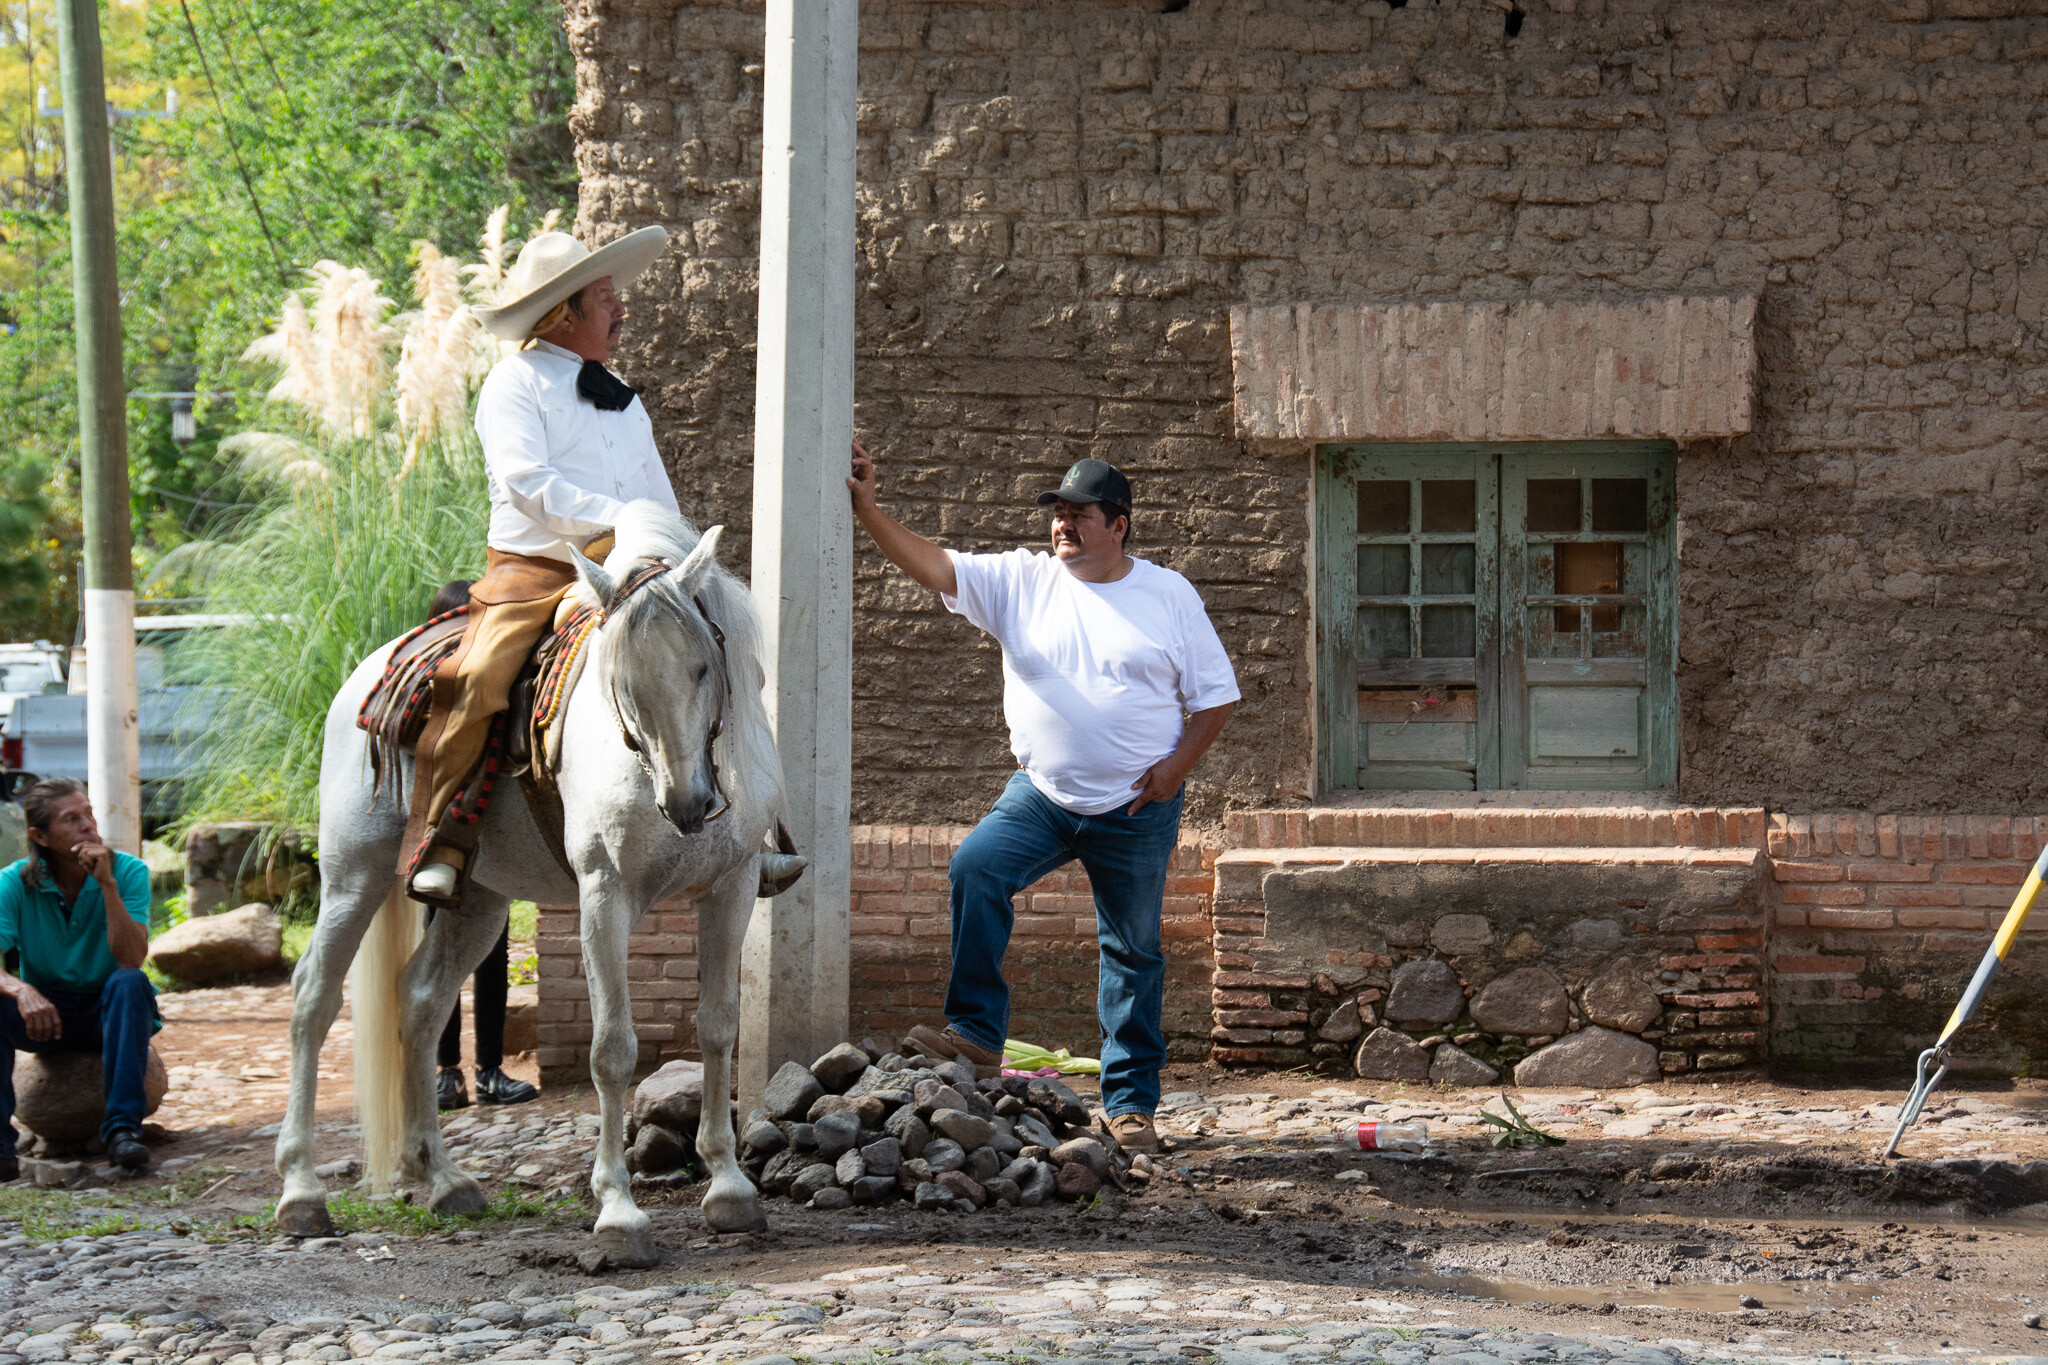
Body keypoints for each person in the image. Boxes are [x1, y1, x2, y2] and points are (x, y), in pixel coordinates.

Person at [846, 446, 1238, 1153]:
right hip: (1043, 794)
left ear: (1118, 525)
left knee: (1133, 951)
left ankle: (1130, 1107)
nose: (1062, 525)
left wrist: (1174, 772)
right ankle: (975, 1033)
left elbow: (1215, 698)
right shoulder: (1021, 581)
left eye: (1078, 515)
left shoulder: (1168, 594)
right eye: (1057, 514)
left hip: (1135, 808)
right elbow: (934, 564)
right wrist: (870, 512)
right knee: (976, 867)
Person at [404, 224, 679, 902]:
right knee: (479, 677)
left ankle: (751, 827)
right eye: (607, 297)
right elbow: (529, 483)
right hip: (533, 571)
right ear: (563, 314)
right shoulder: (510, 383)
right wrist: (616, 518)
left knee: (722, 647)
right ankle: (445, 837)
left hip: (630, 561)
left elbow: (658, 490)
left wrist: (669, 539)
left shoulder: (621, 393)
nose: (622, 309)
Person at [417, 579, 540, 1111]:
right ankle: (448, 1074)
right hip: (443, 840)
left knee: (492, 955)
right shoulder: (430, 691)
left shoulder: (497, 682)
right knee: (443, 953)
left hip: (490, 840)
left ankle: (488, 1070)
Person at [0, 778, 158, 1181]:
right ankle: (1, 1146)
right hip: (46, 1014)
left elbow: (131, 958)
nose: (88, 825)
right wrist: (22, 989)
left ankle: (122, 1130)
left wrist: (107, 885)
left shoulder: (129, 871)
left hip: (108, 1011)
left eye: (88, 812)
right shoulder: (14, 882)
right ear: (40, 836)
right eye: (71, 819)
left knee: (130, 983)